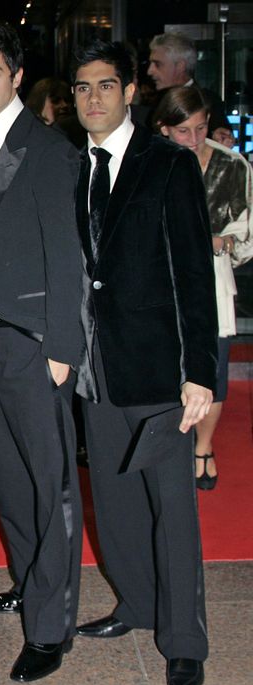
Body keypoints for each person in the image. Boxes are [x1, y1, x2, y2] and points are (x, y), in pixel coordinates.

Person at [71, 40, 217, 685]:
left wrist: (200, 371)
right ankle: (135, 605)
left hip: (160, 369)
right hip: (96, 372)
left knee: (173, 509)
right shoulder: (74, 166)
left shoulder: (168, 163)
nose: (91, 98)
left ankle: (184, 639)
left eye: (104, 86)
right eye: (81, 88)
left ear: (131, 92)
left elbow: (194, 273)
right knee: (118, 505)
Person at [0, 18, 85, 682]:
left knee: (50, 487)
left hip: (34, 346)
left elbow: (67, 253)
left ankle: (52, 626)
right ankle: (32, 583)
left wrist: (63, 344)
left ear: (17, 76)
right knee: (10, 483)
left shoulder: (49, 149)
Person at [152, 86, 253, 490]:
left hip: (213, 282)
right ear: (164, 130)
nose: (195, 139)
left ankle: (203, 446)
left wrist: (221, 242)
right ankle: (170, 447)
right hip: (160, 283)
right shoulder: (150, 163)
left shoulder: (232, 165)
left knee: (210, 369)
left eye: (201, 128)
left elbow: (245, 237)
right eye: (183, 131)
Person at [146, 33, 230, 144]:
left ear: (180, 66)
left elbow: (220, 130)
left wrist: (219, 133)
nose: (150, 71)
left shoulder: (208, 100)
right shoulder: (153, 103)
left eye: (158, 64)